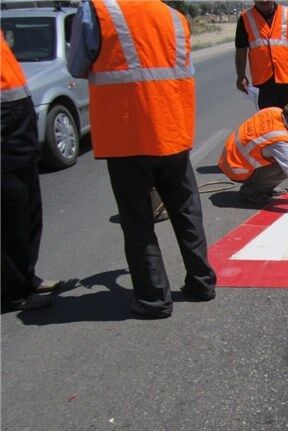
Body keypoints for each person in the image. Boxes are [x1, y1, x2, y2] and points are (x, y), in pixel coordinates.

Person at [67, 0, 216, 319]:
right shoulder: (174, 16)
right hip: (172, 129)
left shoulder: (97, 11)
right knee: (186, 209)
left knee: (138, 220)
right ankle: (202, 283)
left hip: (127, 134)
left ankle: (153, 298)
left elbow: (77, 66)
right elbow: (183, 69)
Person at [1, 33, 62, 312]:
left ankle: (27, 277)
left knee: (28, 215)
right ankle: (13, 292)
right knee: (10, 222)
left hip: (19, 134)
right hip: (5, 141)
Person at [235, 0, 288, 110]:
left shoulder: (287, 14)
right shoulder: (245, 18)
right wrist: (241, 75)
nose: (264, 2)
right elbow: (241, 49)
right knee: (269, 122)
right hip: (263, 83)